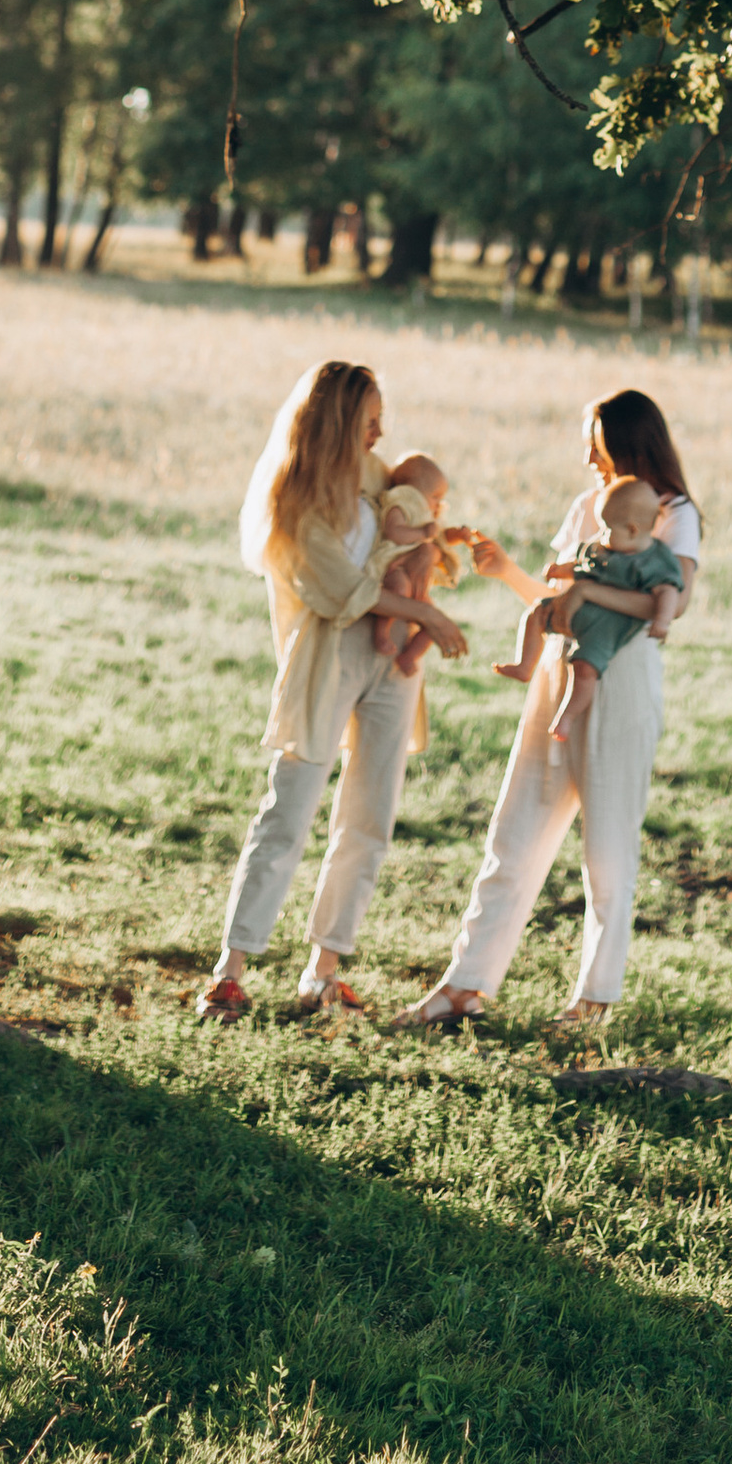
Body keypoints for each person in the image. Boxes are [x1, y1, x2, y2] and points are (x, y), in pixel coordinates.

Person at [405, 387, 701, 1036]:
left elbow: (667, 609)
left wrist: (590, 589)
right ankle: (463, 985)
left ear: (627, 444)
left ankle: (595, 998)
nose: (589, 459)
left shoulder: (674, 514)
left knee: (608, 845)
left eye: (597, 446)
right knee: (515, 831)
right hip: (558, 670)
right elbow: (557, 594)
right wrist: (510, 571)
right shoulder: (587, 507)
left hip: (620, 685)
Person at [197, 359, 469, 1023]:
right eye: (370, 422)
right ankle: (230, 970)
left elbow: (409, 531)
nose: (380, 435)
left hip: (391, 663)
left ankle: (324, 969)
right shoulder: (295, 499)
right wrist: (427, 616)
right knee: (288, 810)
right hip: (330, 653)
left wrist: (436, 543)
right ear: (342, 422)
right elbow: (340, 593)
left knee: (369, 815)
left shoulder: (379, 478)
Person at [493, 473, 685, 751]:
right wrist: (562, 570)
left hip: (604, 628)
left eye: (607, 529)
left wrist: (663, 622)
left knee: (584, 669)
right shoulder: (606, 547)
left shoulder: (654, 561)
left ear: (632, 529)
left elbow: (667, 593)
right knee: (535, 614)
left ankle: (567, 717)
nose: (601, 535)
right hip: (573, 611)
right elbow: (585, 564)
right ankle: (524, 664)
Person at [371, 451, 464, 676]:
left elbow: (437, 539)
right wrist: (421, 532)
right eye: (435, 497)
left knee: (433, 622)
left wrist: (456, 535)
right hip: (395, 568)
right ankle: (381, 634)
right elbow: (393, 532)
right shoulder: (400, 504)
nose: (438, 504)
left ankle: (409, 656)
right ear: (414, 491)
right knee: (399, 588)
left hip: (416, 583)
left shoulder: (425, 516)